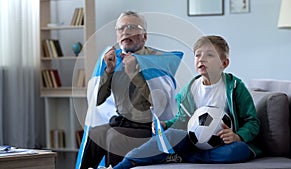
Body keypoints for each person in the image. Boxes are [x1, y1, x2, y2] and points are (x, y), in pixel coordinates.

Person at [111, 35, 261, 169]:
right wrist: (166, 124)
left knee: (238, 150)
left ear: (224, 63)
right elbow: (182, 120)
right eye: (197, 55)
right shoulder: (189, 90)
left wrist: (238, 136)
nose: (201, 59)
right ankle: (125, 163)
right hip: (194, 142)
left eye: (210, 55)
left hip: (223, 145)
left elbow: (252, 121)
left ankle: (184, 156)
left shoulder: (235, 87)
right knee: (171, 135)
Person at [78, 11, 179, 169]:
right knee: (95, 133)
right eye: (121, 28)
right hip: (123, 121)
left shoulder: (157, 60)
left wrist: (135, 74)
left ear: (144, 36)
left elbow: (160, 103)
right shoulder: (114, 59)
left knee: (114, 136)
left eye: (132, 27)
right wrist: (109, 72)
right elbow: (96, 101)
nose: (125, 31)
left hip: (149, 127)